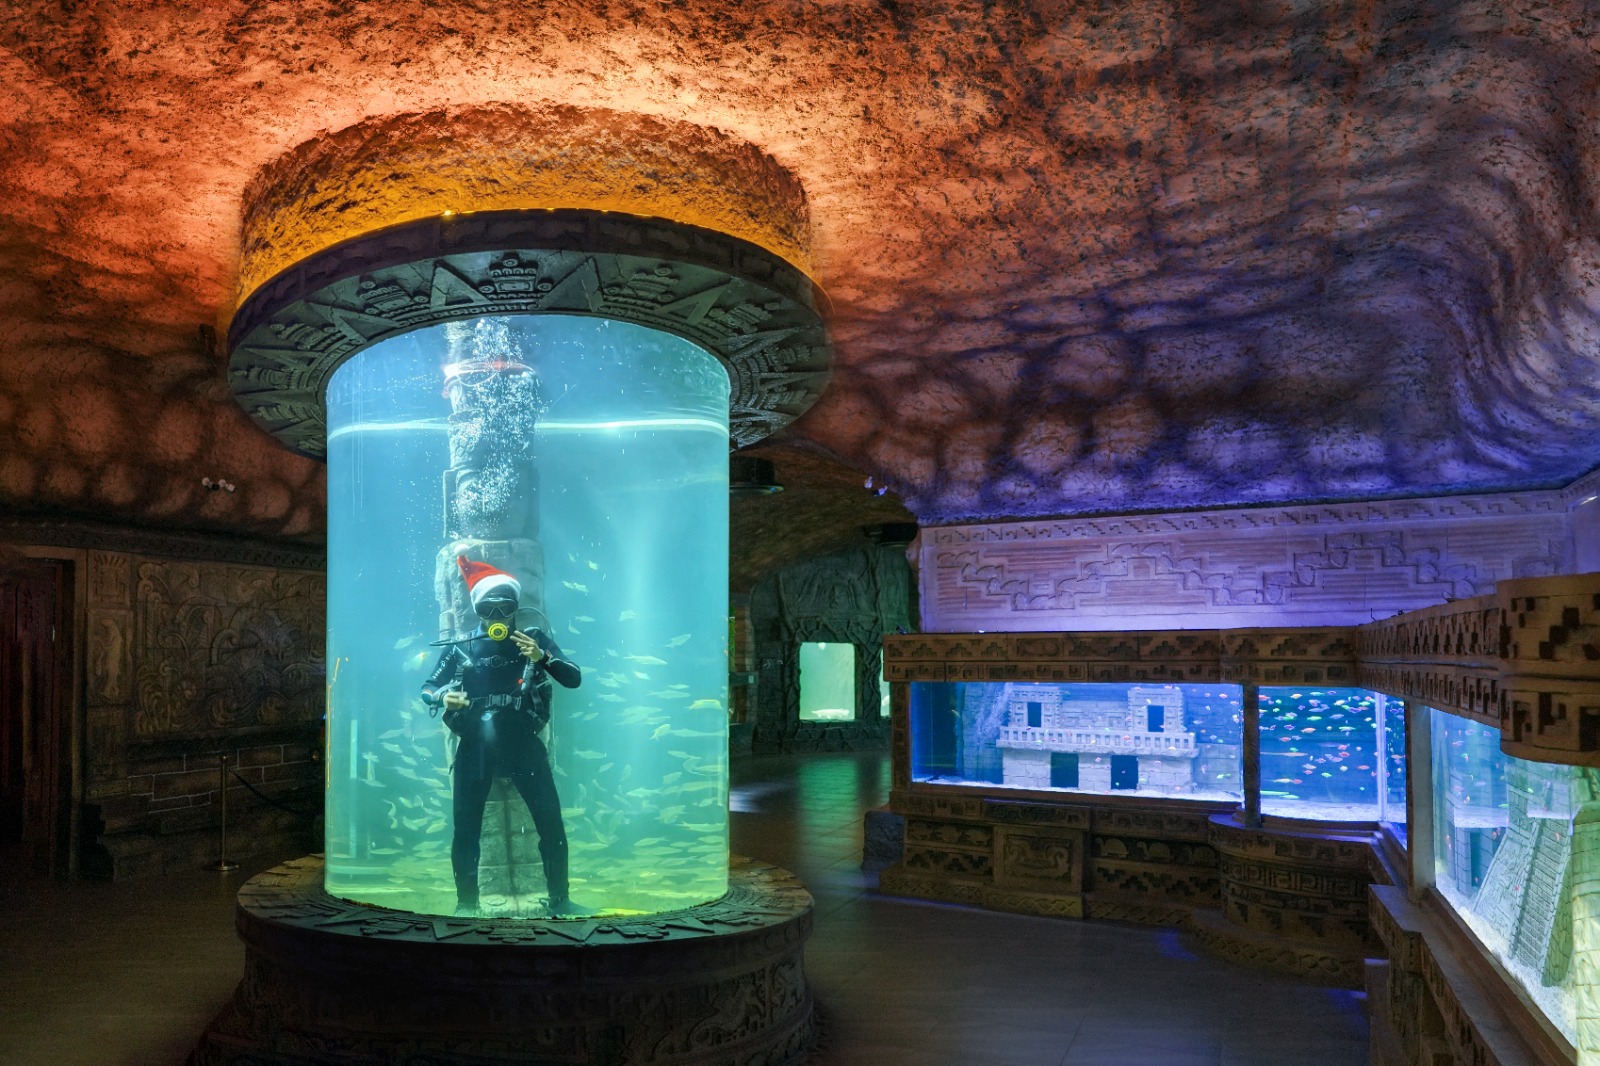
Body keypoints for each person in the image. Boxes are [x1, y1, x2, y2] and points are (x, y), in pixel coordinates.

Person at [421, 556, 583, 916]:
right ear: (478, 609)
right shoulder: (462, 644)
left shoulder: (533, 639)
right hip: (475, 749)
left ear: (515, 609)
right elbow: (428, 687)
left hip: (524, 745)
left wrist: (542, 657)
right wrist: (441, 696)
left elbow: (573, 678)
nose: (497, 616)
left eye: (505, 607)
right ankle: (466, 904)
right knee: (466, 828)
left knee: (551, 823)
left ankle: (561, 899)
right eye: (488, 609)